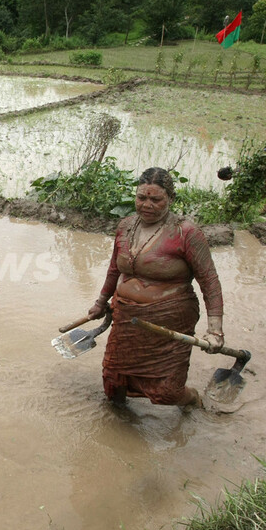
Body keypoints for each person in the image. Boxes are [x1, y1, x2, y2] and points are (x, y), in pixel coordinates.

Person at [87, 167, 224, 409]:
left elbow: (209, 281)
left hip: (169, 322)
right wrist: (100, 302)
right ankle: (119, 430)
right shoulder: (126, 226)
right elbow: (113, 269)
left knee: (168, 393)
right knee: (114, 382)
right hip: (127, 318)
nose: (147, 205)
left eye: (156, 199)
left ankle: (192, 398)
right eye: (141, 198)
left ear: (170, 199)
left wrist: (215, 331)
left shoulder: (186, 233)